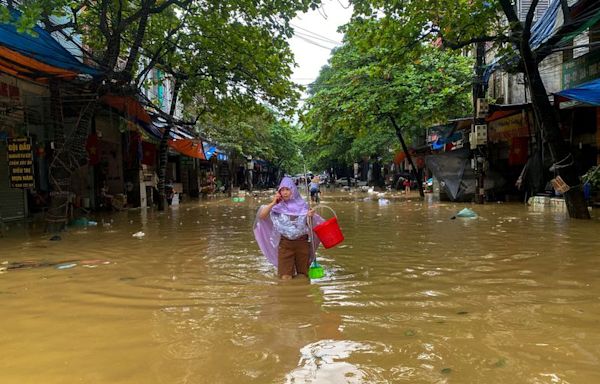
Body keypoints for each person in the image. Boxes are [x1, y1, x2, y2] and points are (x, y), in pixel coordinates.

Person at [254, 177, 322, 280]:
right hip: (285, 244)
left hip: (302, 243)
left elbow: (309, 226)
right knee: (285, 277)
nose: (285, 192)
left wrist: (310, 216)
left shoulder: (303, 206)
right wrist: (273, 203)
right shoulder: (277, 207)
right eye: (282, 190)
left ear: (293, 190)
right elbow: (262, 216)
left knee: (302, 276)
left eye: (287, 189)